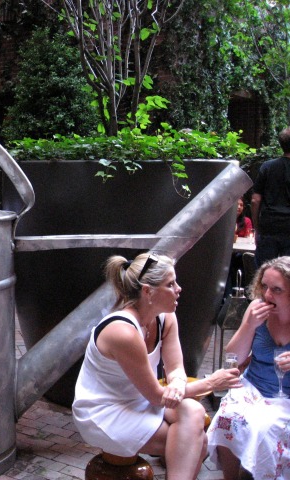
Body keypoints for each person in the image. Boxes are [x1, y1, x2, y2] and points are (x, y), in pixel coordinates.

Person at [73, 253, 241, 480]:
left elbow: (175, 369)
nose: (179, 289)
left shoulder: (165, 318)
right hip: (105, 412)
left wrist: (178, 383)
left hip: (140, 400)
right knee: (197, 442)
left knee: (194, 411)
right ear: (147, 291)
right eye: (170, 284)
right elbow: (155, 395)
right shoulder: (123, 332)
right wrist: (211, 382)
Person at [207, 256, 290, 479]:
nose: (267, 295)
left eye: (277, 290)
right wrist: (249, 325)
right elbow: (233, 356)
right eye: (264, 286)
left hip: (286, 398)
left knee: (266, 428)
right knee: (228, 416)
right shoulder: (257, 308)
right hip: (253, 388)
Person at [251, 127, 290, 267]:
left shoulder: (267, 167)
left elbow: (255, 200)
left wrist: (257, 227)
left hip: (269, 227)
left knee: (264, 272)